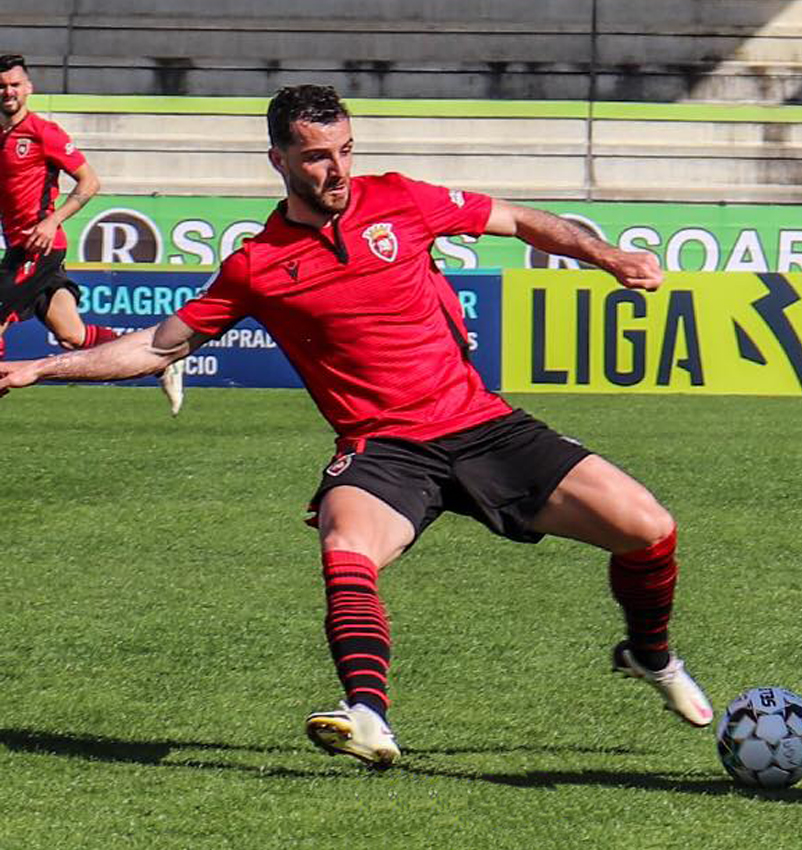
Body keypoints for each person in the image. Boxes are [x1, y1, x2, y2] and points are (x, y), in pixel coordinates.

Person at [0, 84, 713, 768]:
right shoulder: (258, 266)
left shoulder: (400, 198)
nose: (336, 167)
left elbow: (517, 219)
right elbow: (158, 346)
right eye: (315, 155)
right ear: (278, 160)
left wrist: (606, 255)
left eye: (345, 149)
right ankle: (367, 714)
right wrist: (41, 368)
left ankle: (649, 655)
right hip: (384, 451)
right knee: (346, 545)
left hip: (481, 424)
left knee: (649, 527)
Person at [0, 54, 183, 413]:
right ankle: (161, 357)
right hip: (22, 248)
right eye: (2, 86)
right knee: (73, 335)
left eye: (15, 85)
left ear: (29, 89)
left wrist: (52, 221)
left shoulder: (43, 132)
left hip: (38, 248)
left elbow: (90, 181)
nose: (8, 92)